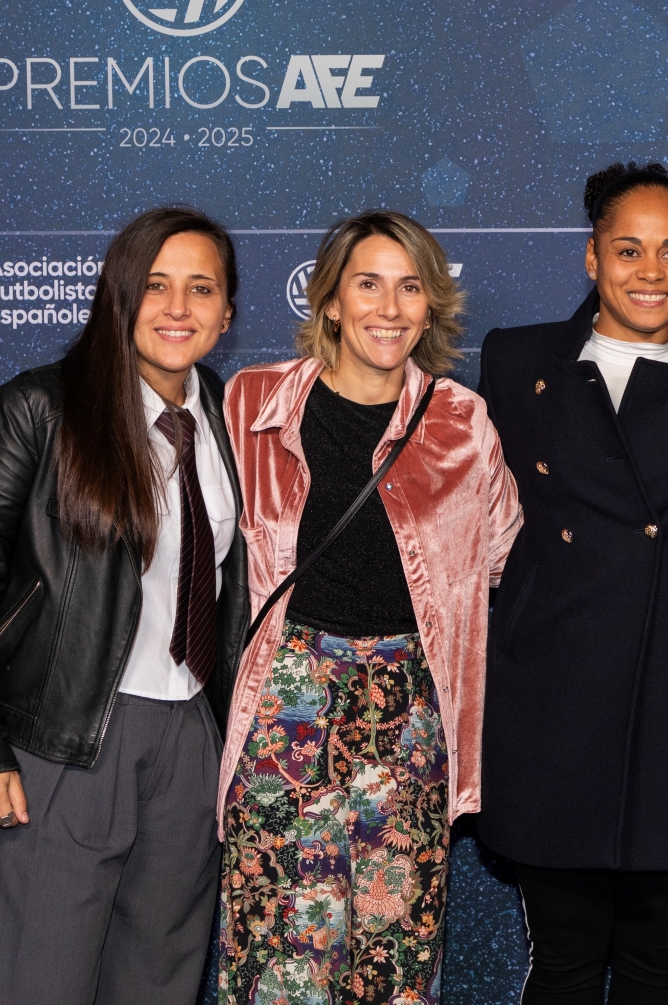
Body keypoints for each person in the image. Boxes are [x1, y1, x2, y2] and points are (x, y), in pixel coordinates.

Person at [476, 161, 668, 1005]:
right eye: (629, 250)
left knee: (654, 965)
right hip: (553, 700)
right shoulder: (515, 362)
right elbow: (461, 511)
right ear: (592, 257)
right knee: (562, 964)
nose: (652, 271)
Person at [0, 207, 246, 1005]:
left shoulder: (227, 416)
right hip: (61, 739)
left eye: (201, 288)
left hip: (189, 740)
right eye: (155, 286)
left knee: (157, 981)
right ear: (116, 297)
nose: (177, 308)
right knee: (30, 978)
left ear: (228, 312)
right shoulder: (38, 409)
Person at [213, 210, 522, 1004]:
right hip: (286, 711)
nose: (389, 308)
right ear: (330, 300)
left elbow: (499, 552)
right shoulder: (251, 403)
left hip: (408, 719)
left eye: (410, 287)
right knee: (281, 964)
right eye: (368, 285)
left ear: (431, 304)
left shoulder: (462, 422)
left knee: (395, 965)